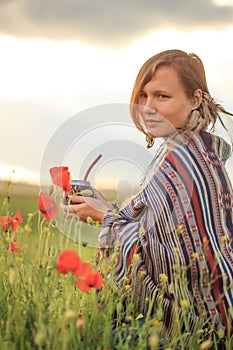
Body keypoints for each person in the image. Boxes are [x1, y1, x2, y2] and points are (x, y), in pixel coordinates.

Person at [66, 50, 233, 346]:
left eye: (161, 96)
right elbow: (154, 229)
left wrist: (105, 217)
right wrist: (108, 209)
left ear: (195, 99)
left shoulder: (188, 163)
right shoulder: (188, 153)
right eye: (142, 96)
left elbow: (179, 261)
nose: (147, 107)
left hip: (192, 329)